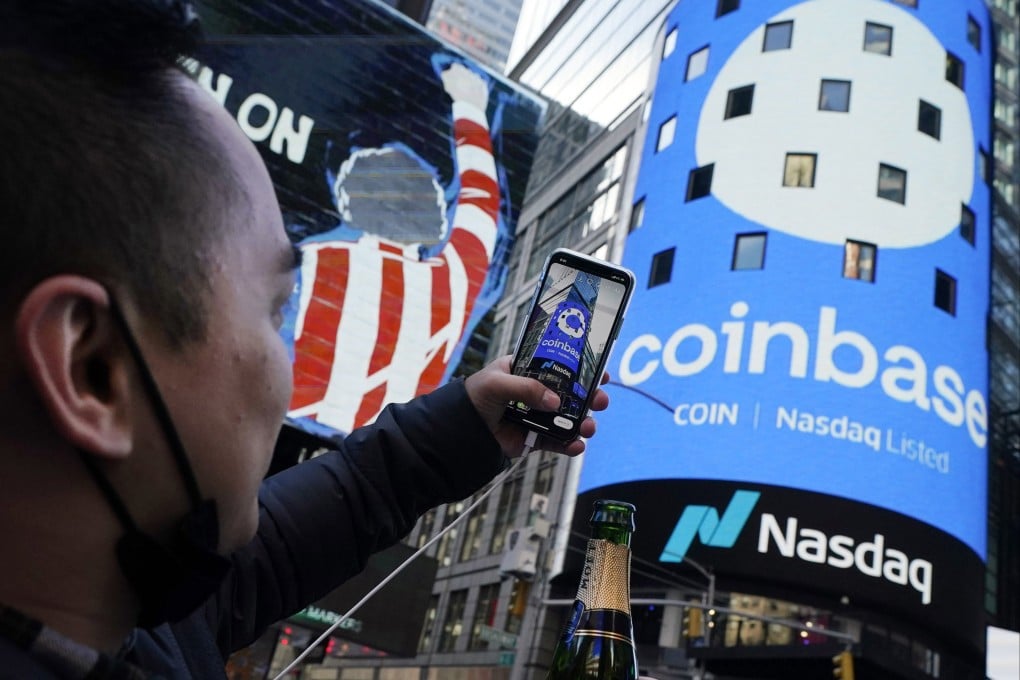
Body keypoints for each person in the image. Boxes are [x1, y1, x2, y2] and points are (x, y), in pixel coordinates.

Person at [0, 1, 609, 678]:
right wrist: (468, 107)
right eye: (273, 309)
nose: (285, 369)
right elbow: (481, 212)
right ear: (93, 367)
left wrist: (463, 426)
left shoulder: (134, 619)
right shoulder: (447, 278)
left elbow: (288, 540)